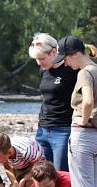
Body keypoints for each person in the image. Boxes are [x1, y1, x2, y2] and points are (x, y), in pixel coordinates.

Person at [53, 35, 97, 187]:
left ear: (75, 54)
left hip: (83, 135)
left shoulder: (85, 73)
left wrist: (83, 121)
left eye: (66, 58)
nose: (65, 63)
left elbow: (87, 101)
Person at [28, 33, 78, 171]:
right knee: (43, 171)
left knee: (61, 172)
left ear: (54, 51)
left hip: (63, 129)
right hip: (43, 128)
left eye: (42, 58)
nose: (39, 63)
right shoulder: (43, 70)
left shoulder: (71, 69)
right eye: (36, 59)